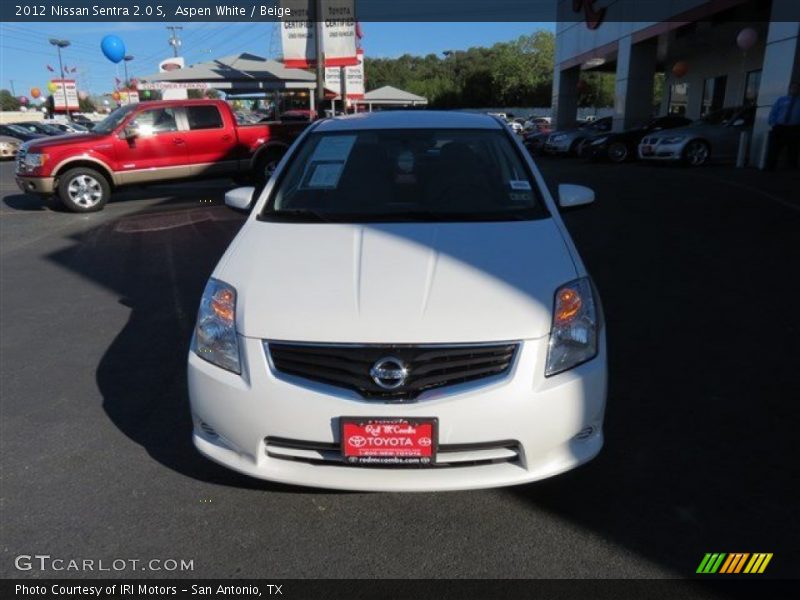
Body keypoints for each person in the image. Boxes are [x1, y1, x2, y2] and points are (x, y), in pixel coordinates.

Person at [766, 81, 800, 170]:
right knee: (774, 148)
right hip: (779, 127)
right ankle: (770, 167)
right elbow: (773, 112)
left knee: (793, 149)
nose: (794, 90)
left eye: (797, 88)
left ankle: (792, 169)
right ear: (789, 89)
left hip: (794, 128)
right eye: (793, 88)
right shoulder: (781, 99)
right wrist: (773, 123)